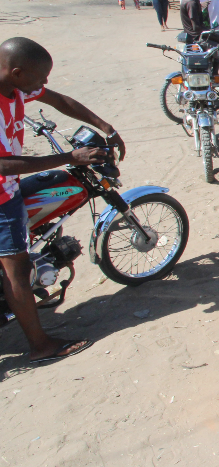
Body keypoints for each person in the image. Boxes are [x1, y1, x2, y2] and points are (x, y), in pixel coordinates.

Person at [0, 37, 127, 363]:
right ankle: (40, 346)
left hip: (9, 184)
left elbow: (59, 100)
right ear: (16, 72)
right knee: (16, 268)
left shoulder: (14, 89)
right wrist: (70, 156)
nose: (43, 83)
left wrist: (104, 126)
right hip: (2, 195)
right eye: (39, 77)